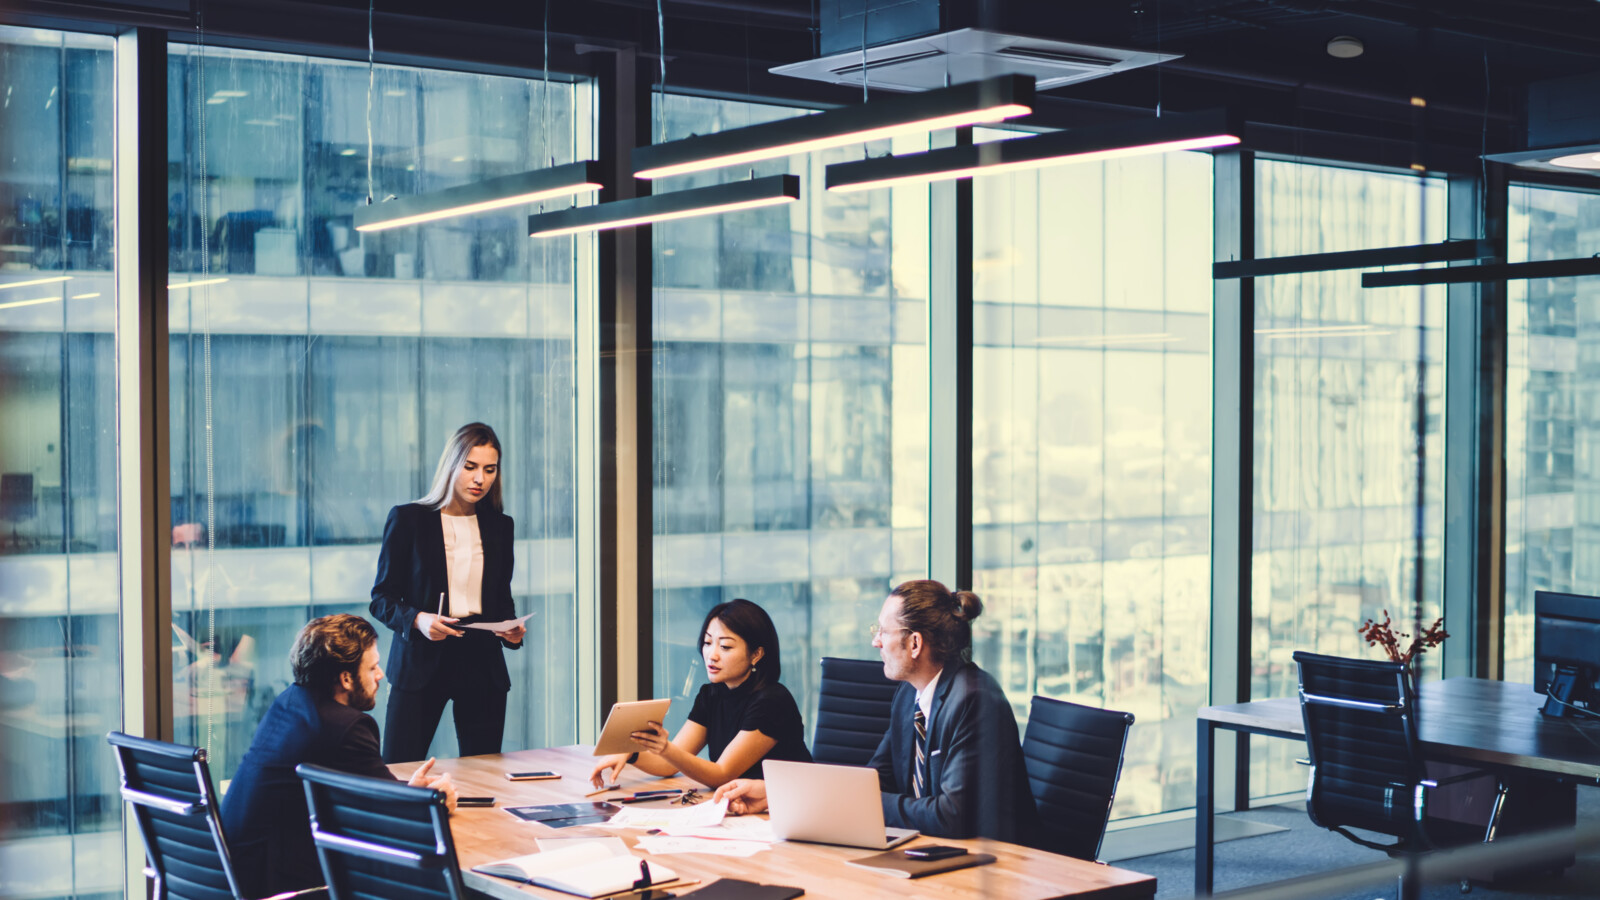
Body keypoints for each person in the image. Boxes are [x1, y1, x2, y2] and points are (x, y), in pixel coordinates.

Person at [715, 580, 1038, 843]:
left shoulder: (974, 701)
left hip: (993, 868)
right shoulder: (907, 697)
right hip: (933, 851)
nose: (876, 642)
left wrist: (864, 802)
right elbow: (874, 780)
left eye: (882, 632)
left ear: (914, 643)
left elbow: (950, 816)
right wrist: (777, 793)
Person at [221, 614, 458, 898]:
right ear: (346, 678)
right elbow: (395, 823)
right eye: (372, 668)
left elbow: (371, 796)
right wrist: (434, 803)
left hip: (234, 875)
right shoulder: (346, 726)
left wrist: (409, 793)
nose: (380, 675)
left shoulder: (289, 704)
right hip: (280, 887)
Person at [371, 422, 526, 762]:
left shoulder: (501, 526)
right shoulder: (408, 520)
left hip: (482, 662)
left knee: (484, 773)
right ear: (451, 465)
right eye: (470, 467)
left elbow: (501, 597)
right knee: (399, 766)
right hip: (422, 660)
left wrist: (510, 630)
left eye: (489, 469)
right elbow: (381, 598)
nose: (479, 479)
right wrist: (417, 620)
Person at [590, 598, 811, 790]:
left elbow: (723, 774)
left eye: (725, 647)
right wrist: (632, 753)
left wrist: (665, 748)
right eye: (707, 643)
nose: (711, 655)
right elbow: (669, 764)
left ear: (756, 654)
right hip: (739, 806)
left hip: (788, 809)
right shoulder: (712, 694)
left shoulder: (771, 702)